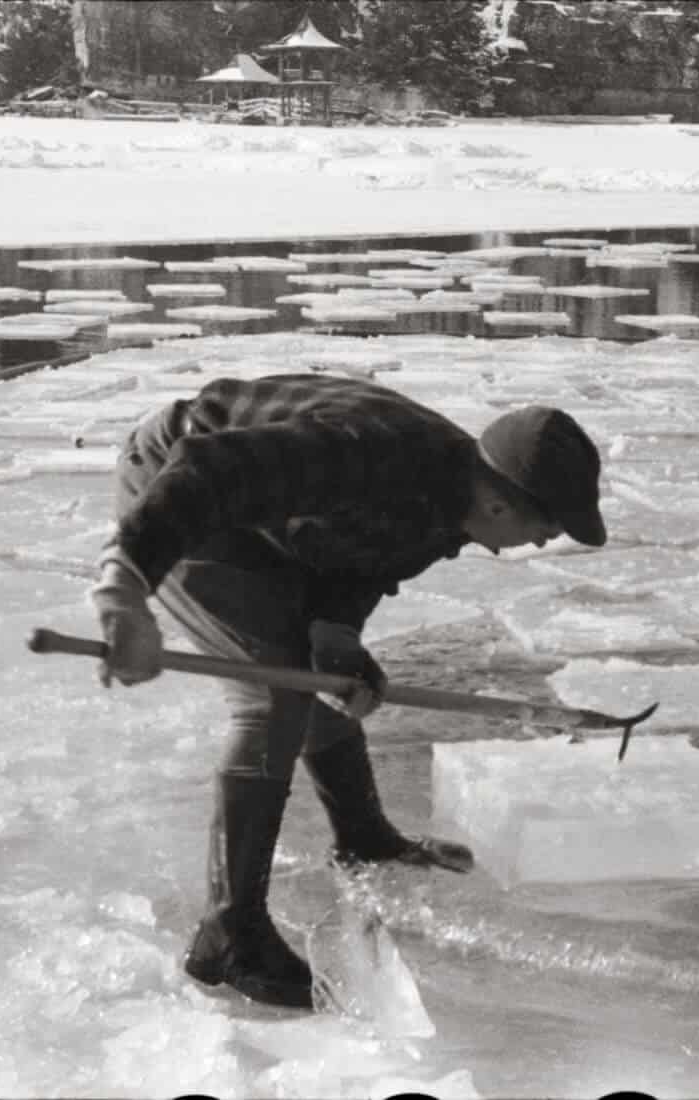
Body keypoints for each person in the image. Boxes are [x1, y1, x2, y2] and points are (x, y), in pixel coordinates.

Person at [91, 372, 607, 1008]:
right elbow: (209, 474)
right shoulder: (367, 456)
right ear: (502, 505)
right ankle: (230, 934)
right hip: (174, 490)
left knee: (320, 674)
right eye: (547, 528)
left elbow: (363, 559)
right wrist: (125, 588)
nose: (542, 542)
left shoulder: (453, 504)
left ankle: (362, 834)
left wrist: (335, 640)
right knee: (273, 698)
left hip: (268, 525)